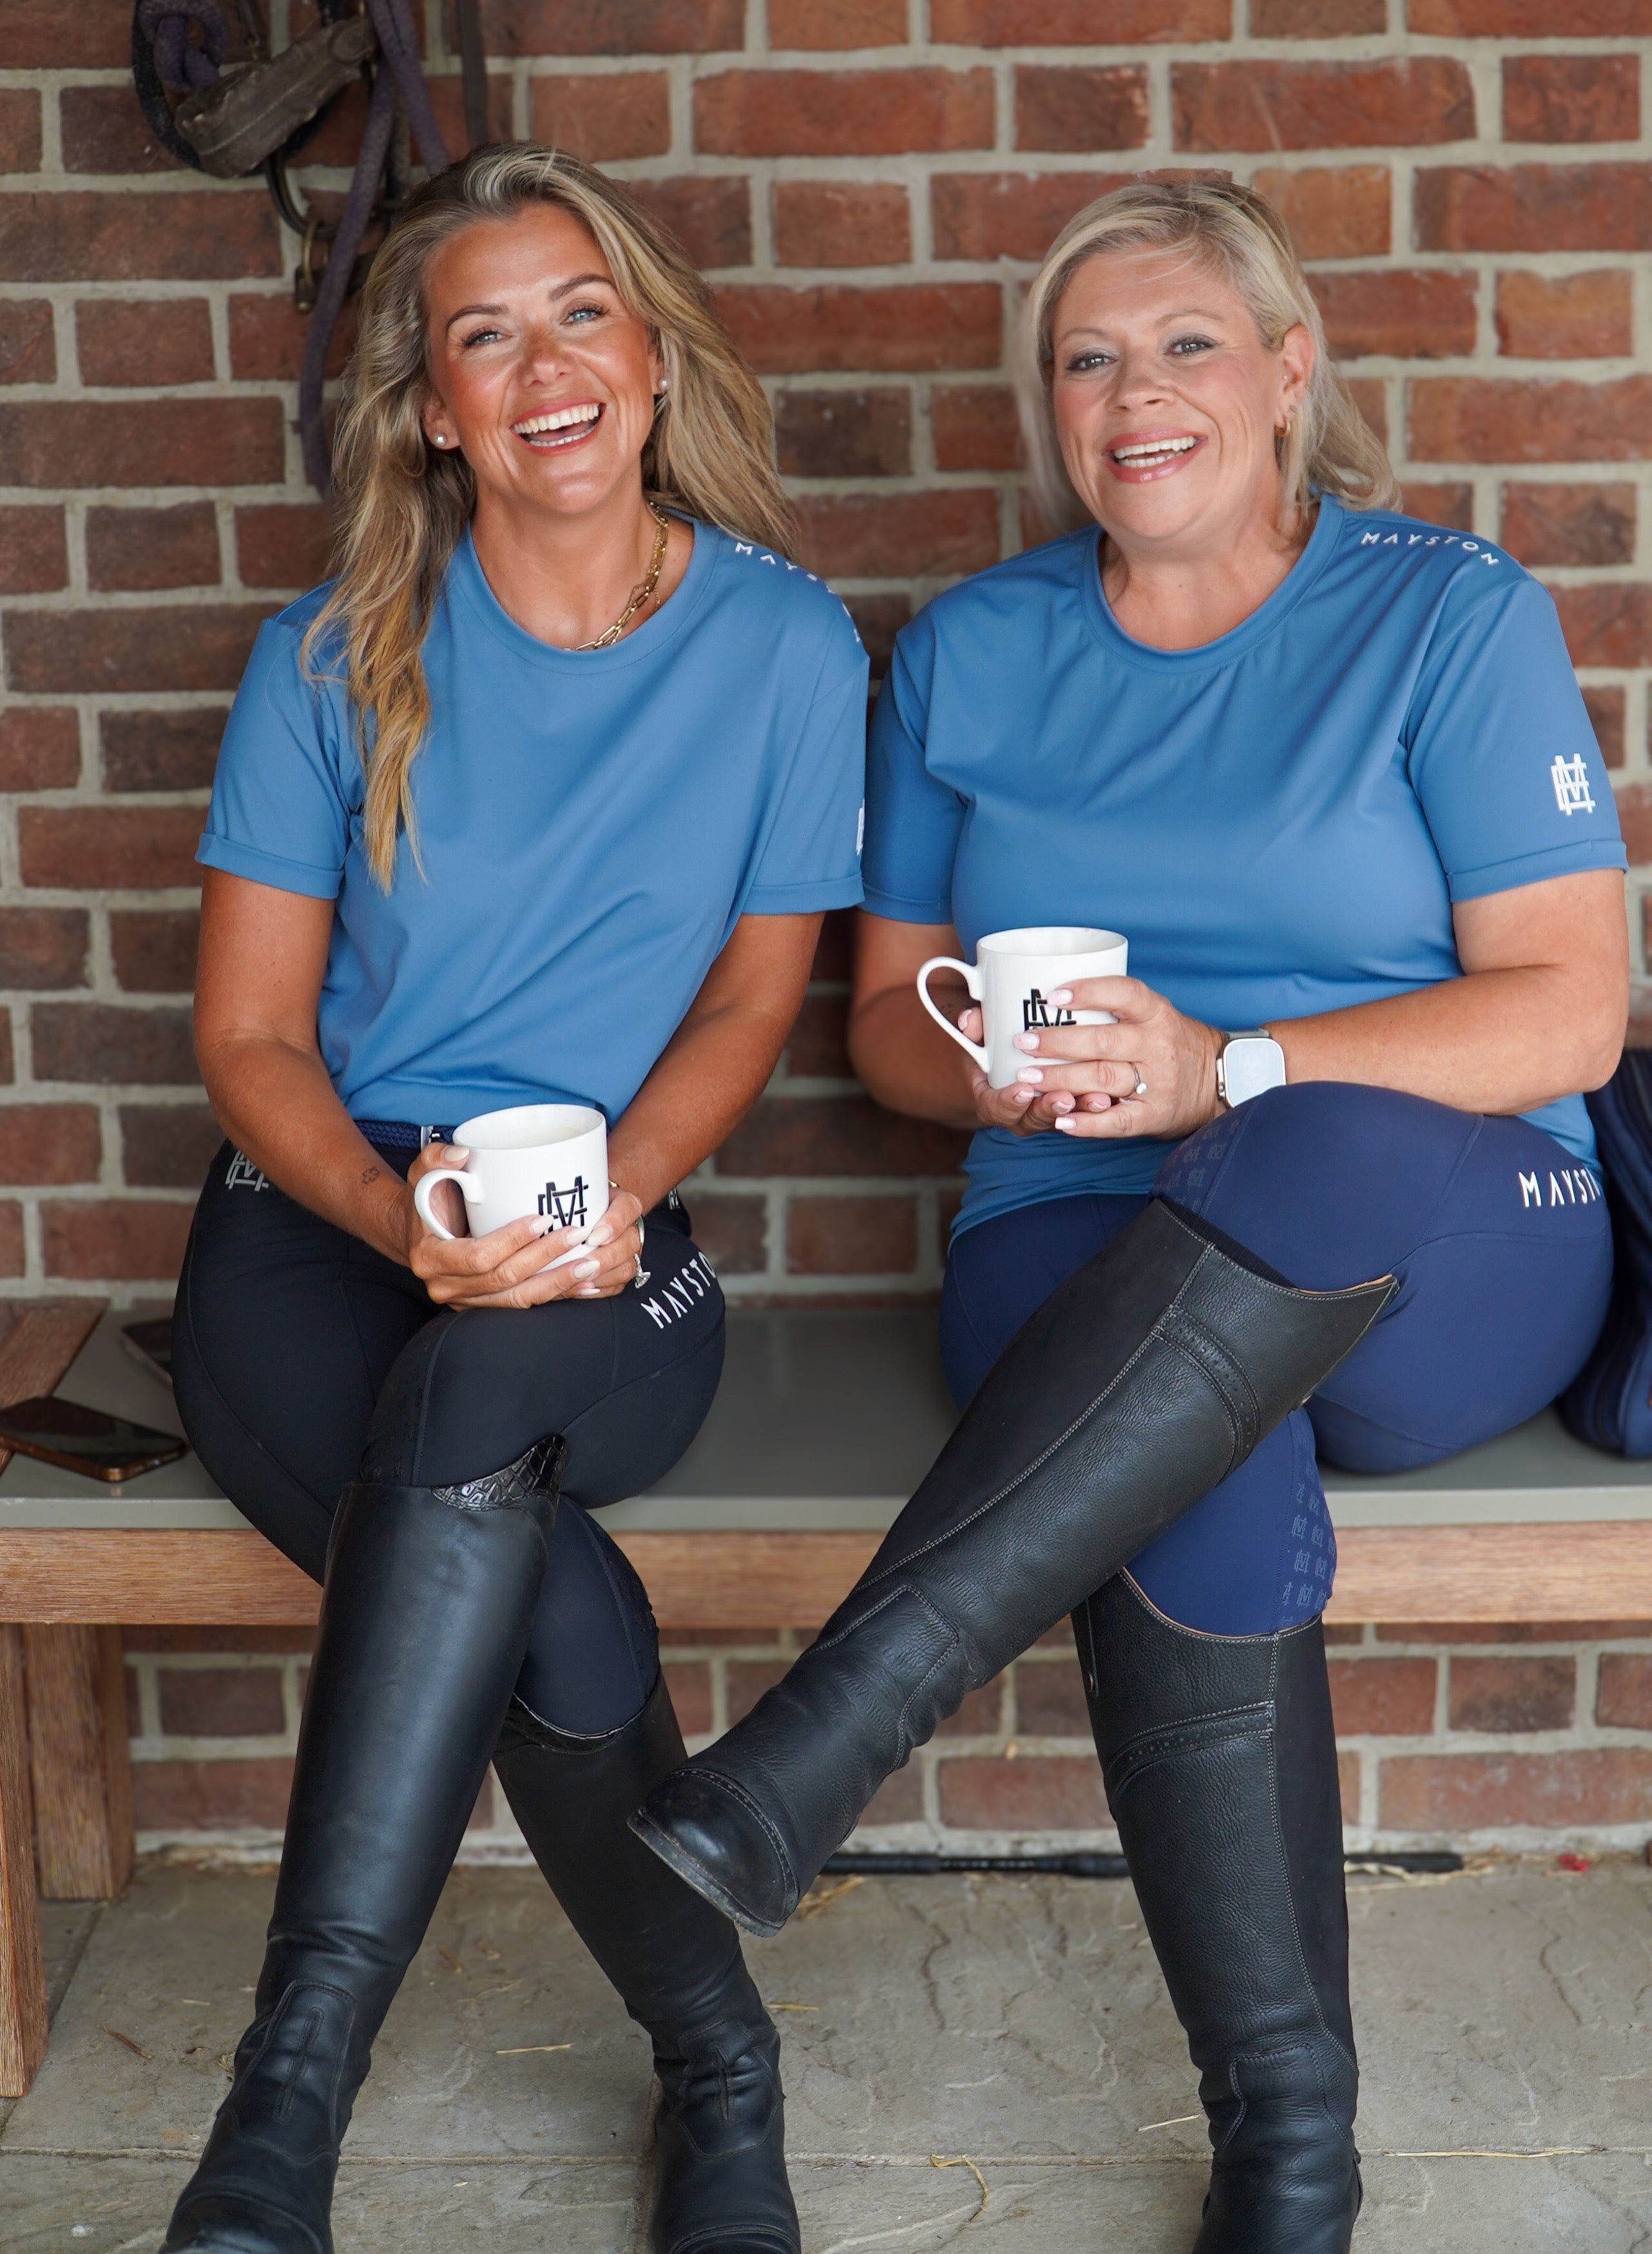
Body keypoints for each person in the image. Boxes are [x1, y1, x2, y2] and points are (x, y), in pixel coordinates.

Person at [629, 178, 1627, 2251]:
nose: (1134, 391)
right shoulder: (977, 651)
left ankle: (832, 1728)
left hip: (1449, 1230)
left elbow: (1573, 1000)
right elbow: (893, 1032)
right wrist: (992, 1067)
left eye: (1184, 343)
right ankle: (1289, 2143)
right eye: (1086, 358)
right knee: (1192, 1434)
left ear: (1289, 374)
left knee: (1301, 1133)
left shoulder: (1446, 613)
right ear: (1050, 410)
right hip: (1077, 1233)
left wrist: (1227, 1065)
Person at [163, 142, 865, 2254]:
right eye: (486, 334)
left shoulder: (784, 647)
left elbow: (757, 996)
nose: (543, 364)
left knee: (480, 1420)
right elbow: (256, 1043)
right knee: (548, 1591)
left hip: (612, 1244)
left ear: (649, 358)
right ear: (436, 410)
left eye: (580, 313)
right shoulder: (325, 658)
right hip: (326, 1236)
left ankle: (284, 2111)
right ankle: (719, 2067)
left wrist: (615, 1200)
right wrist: (404, 1228)